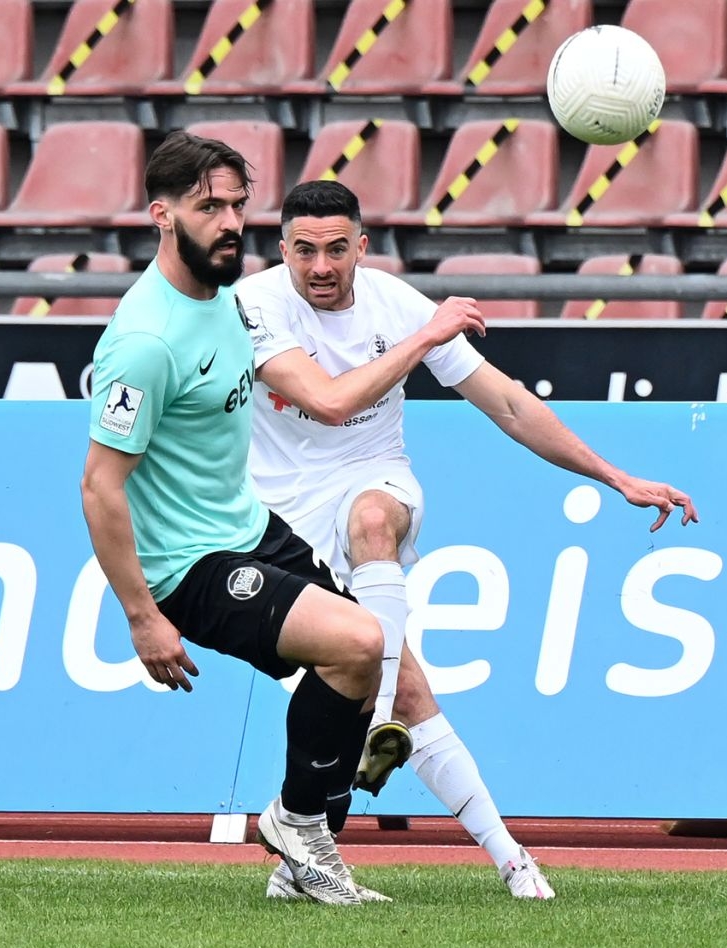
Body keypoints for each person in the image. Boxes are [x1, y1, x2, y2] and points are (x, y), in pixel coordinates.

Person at [235, 180, 699, 901]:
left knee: (373, 522)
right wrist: (424, 339)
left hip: (370, 478)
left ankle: (512, 861)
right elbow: (326, 404)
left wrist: (616, 477)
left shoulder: (395, 304)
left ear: (361, 246)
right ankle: (328, 857)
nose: (320, 267)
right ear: (282, 250)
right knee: (411, 693)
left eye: (335, 249)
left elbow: (509, 404)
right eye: (304, 251)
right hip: (278, 520)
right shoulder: (258, 304)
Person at [80, 132, 385, 907]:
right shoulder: (145, 343)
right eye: (208, 205)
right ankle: (297, 826)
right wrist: (143, 616)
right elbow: (99, 487)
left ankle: (301, 852)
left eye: (238, 204)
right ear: (162, 213)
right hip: (187, 566)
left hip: (249, 526)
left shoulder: (226, 298)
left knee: (361, 672)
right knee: (359, 642)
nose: (229, 221)